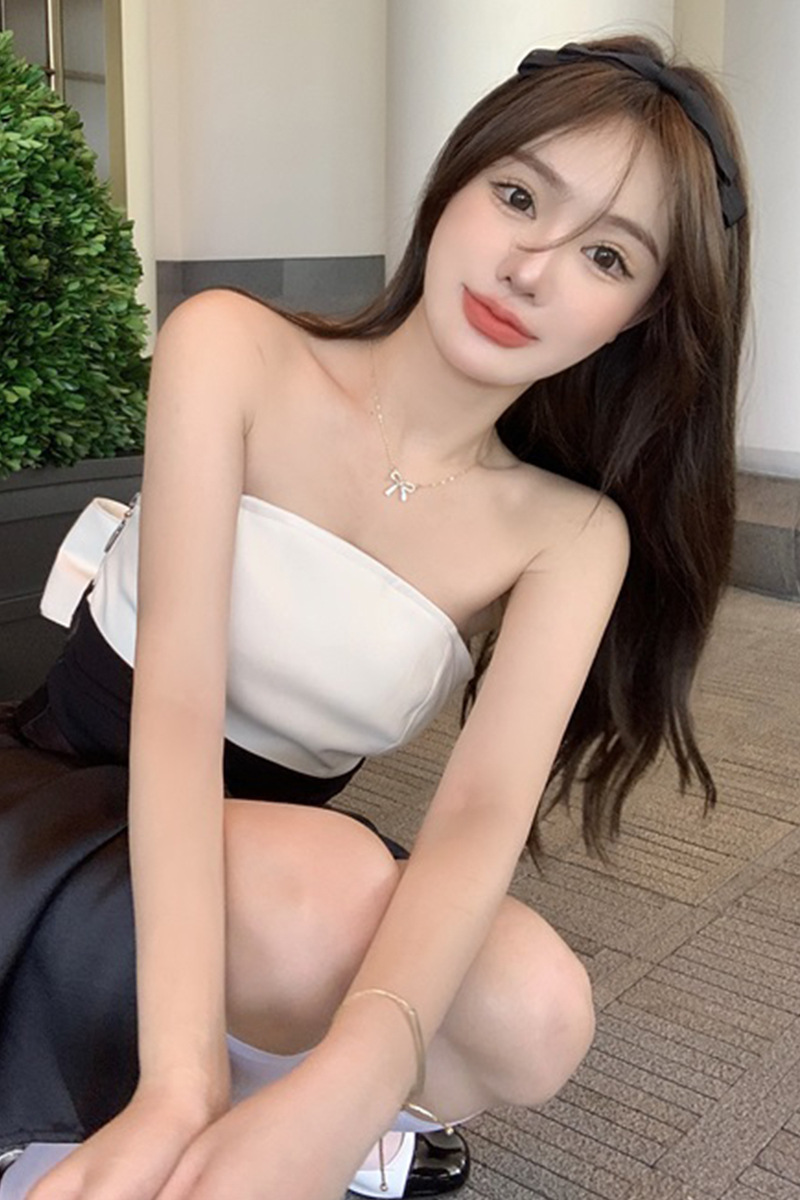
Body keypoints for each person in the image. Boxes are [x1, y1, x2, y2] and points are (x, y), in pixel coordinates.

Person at [0, 33, 749, 1200]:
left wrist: (349, 1086)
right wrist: (179, 1082)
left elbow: (479, 818)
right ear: (453, 184)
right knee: (340, 887)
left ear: (640, 316)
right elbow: (179, 708)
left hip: (286, 873)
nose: (530, 269)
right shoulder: (234, 347)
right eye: (517, 198)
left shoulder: (568, 535)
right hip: (78, 795)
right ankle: (175, 1086)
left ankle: (293, 1111)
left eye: (605, 256)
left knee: (538, 1010)